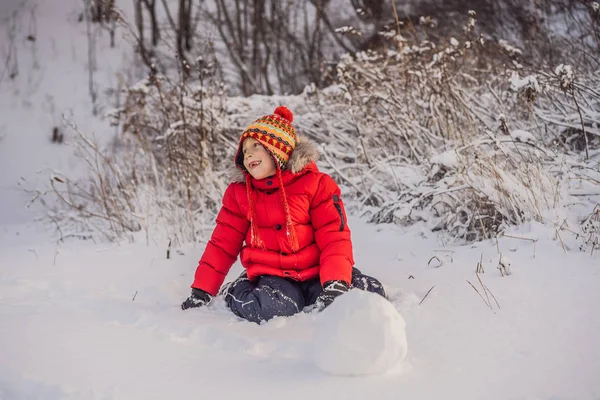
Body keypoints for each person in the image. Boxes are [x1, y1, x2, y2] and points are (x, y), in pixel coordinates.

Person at [181, 106, 385, 324]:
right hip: (273, 275)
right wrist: (202, 290)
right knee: (272, 308)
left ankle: (328, 290)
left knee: (368, 293)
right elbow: (222, 244)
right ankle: (236, 289)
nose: (247, 153)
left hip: (317, 271)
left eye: (256, 146)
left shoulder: (316, 185)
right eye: (244, 150)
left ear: (277, 150)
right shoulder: (240, 194)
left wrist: (336, 283)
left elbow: (334, 237)